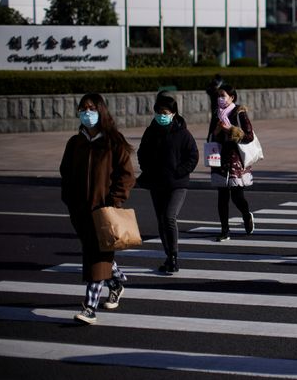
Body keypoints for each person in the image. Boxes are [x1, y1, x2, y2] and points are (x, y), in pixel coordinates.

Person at [60, 93, 135, 325]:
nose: (87, 113)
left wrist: (113, 200)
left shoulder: (113, 141)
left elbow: (126, 175)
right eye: (83, 109)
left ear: (101, 111)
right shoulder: (75, 143)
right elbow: (66, 173)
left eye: (91, 108)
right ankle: (117, 282)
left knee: (96, 257)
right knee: (96, 252)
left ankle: (90, 308)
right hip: (80, 211)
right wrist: (70, 199)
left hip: (104, 211)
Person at [137, 92, 199, 274]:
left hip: (177, 184)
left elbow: (193, 156)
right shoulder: (150, 131)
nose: (161, 115)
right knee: (161, 220)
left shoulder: (183, 133)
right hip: (156, 182)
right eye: (159, 112)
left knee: (169, 217)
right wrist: (147, 169)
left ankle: (173, 256)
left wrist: (179, 172)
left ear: (173, 113)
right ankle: (168, 256)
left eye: (165, 112)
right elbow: (142, 153)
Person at [208, 84, 256, 241]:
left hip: (235, 159)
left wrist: (230, 130)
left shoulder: (239, 112)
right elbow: (211, 136)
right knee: (222, 196)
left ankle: (246, 214)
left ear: (232, 97)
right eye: (218, 96)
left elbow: (249, 136)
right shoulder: (216, 114)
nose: (220, 98)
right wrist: (217, 132)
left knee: (237, 196)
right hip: (220, 158)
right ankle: (224, 231)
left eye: (223, 95)